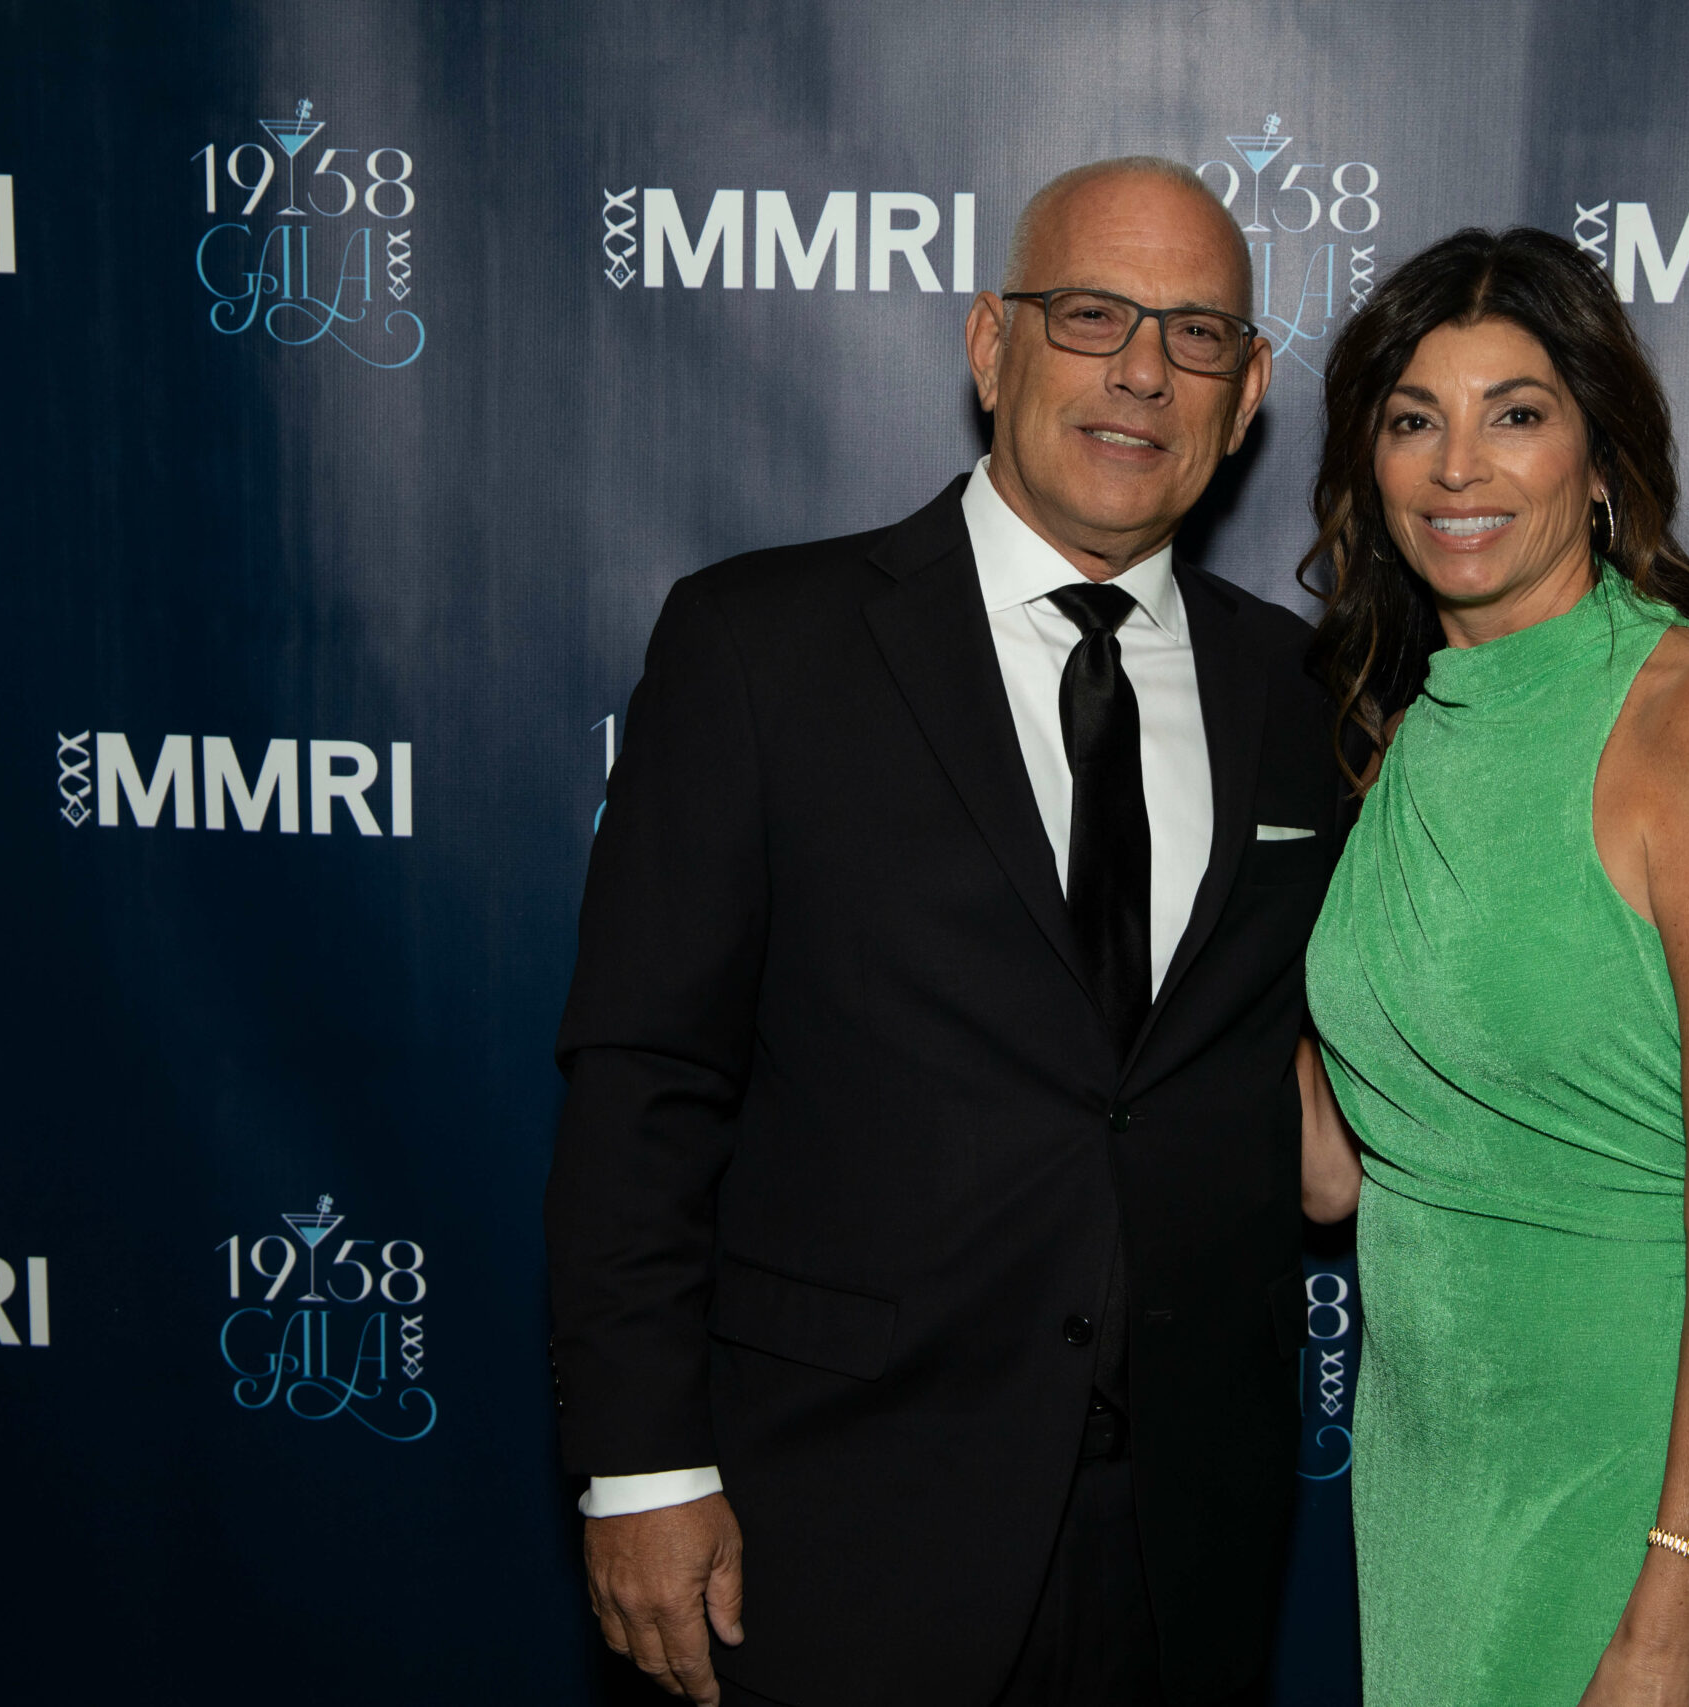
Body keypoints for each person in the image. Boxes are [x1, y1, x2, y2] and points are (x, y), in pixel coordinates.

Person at [547, 156, 1347, 1707]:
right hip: (834, 1518)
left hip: (1186, 1548)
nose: (1138, 370)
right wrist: (639, 1467)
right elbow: (646, 1079)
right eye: (1091, 313)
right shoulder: (761, 645)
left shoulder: (1312, 700)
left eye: (1195, 335)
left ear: (1247, 394)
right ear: (992, 346)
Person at [1298, 227, 1689, 1705]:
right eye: (1415, 420)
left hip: (1625, 1457)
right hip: (1428, 1455)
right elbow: (1329, 1176)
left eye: (1516, 414)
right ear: (1372, 468)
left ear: (1602, 463)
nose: (1458, 466)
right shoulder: (1404, 734)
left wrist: (1677, 1611)